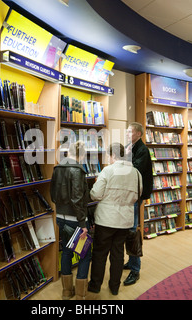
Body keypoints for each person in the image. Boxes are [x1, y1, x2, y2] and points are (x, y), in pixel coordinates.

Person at [87, 143, 142, 297]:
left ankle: (95, 285)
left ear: (113, 155)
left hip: (106, 219)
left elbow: (95, 195)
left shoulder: (108, 170)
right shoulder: (136, 173)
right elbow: (138, 194)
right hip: (125, 220)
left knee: (100, 253)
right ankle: (115, 286)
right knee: (118, 254)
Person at [50, 141, 91, 300]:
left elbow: (53, 194)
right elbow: (77, 199)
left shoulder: (57, 168)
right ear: (81, 154)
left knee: (66, 251)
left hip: (60, 217)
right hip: (76, 220)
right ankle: (80, 295)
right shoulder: (77, 170)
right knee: (84, 254)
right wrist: (83, 224)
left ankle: (66, 291)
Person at [123, 122, 153, 286]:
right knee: (128, 229)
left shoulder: (142, 150)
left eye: (130, 131)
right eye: (127, 131)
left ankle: (135, 270)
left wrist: (125, 158)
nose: (127, 133)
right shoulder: (130, 146)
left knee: (133, 231)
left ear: (139, 134)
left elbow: (134, 170)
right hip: (129, 193)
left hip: (136, 194)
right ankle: (131, 261)